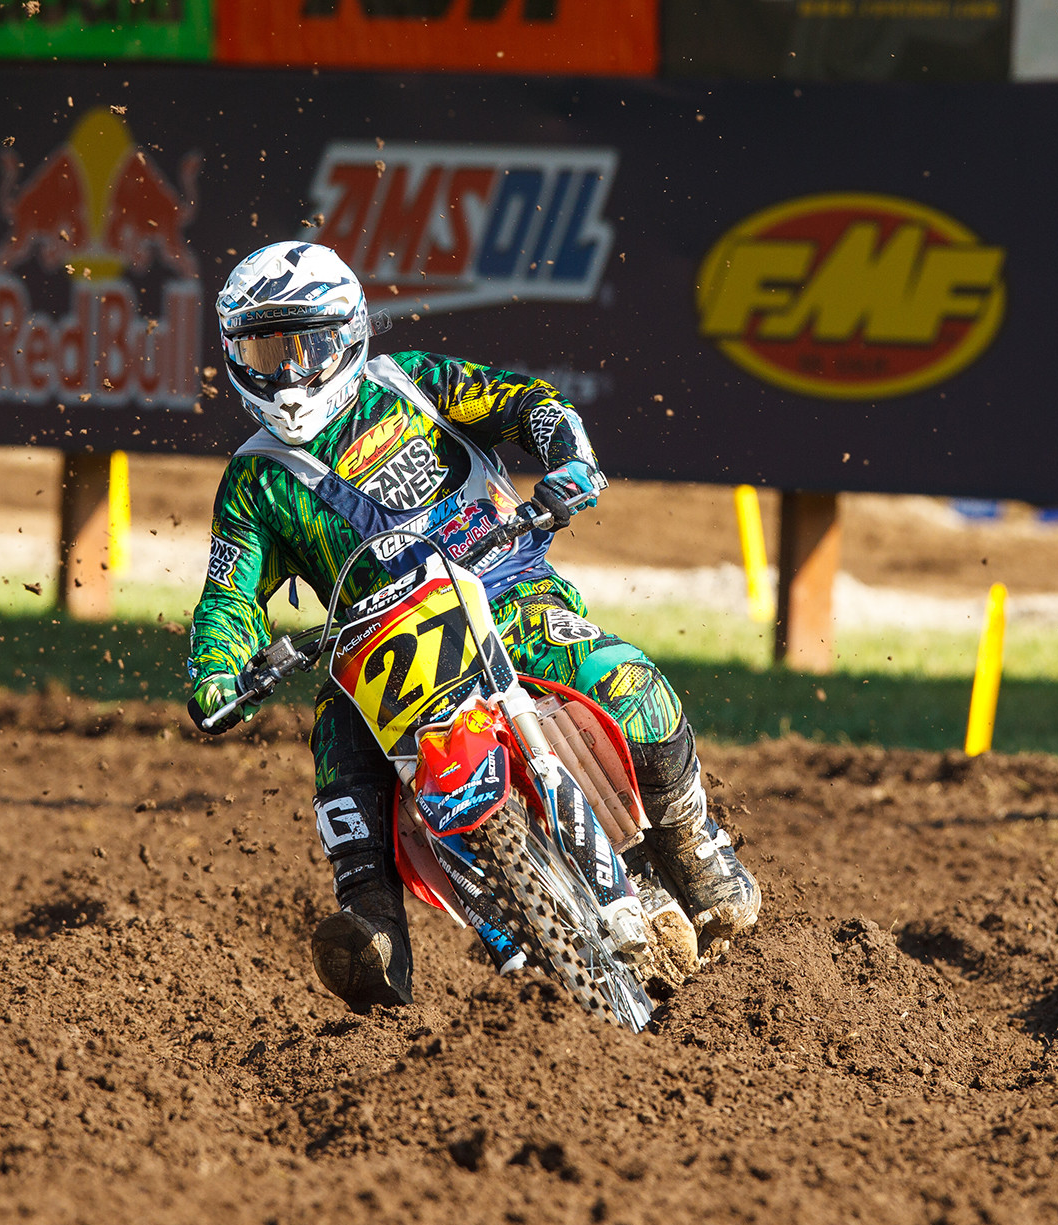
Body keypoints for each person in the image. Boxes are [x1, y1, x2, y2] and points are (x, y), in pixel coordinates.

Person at [185, 241, 759, 1012]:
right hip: (380, 643)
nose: (288, 373)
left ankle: (693, 844)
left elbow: (530, 403)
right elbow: (229, 594)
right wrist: (218, 673)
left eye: (306, 346)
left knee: (627, 680)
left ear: (349, 335)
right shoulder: (254, 481)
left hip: (502, 584)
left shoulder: (414, 383)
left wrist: (569, 461)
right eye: (266, 351)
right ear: (235, 356)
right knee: (336, 735)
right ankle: (374, 921)